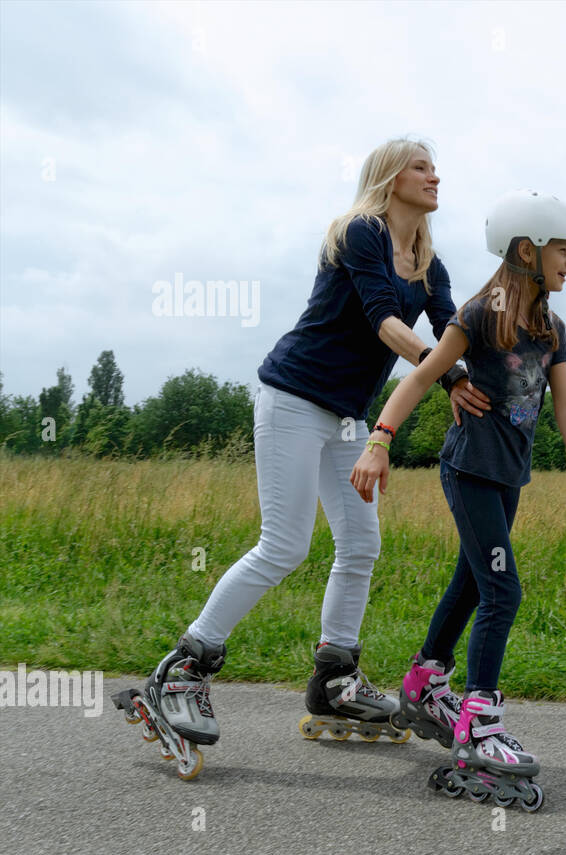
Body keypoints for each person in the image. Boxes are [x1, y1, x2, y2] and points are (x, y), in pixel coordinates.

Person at [140, 138, 492, 763]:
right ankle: (184, 669)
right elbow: (386, 322)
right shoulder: (360, 232)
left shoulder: (431, 264)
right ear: (389, 176)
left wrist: (493, 366)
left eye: (435, 167)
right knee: (284, 543)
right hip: (296, 396)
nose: (435, 175)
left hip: (349, 416)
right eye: (420, 166)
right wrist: (449, 378)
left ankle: (333, 678)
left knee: (361, 544)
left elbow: (451, 328)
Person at [352, 189, 566, 806]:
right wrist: (380, 440)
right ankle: (480, 722)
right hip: (468, 472)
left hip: (509, 477)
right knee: (502, 588)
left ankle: (425, 678)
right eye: (562, 250)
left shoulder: (552, 327)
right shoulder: (480, 314)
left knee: (471, 581)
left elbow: (563, 402)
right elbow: (423, 374)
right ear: (526, 250)